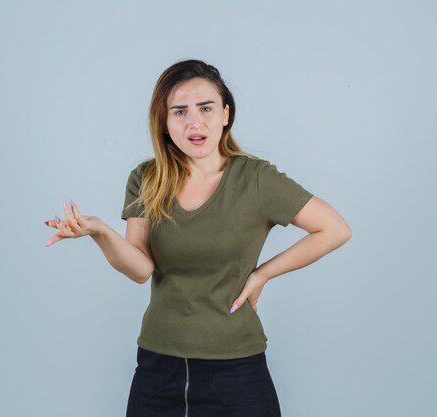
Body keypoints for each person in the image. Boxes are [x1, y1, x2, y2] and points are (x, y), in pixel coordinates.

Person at [44, 59, 352, 417]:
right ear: (164, 121)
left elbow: (334, 229)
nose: (194, 122)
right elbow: (140, 268)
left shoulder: (256, 179)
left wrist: (262, 273)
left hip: (237, 370)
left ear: (225, 113)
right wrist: (98, 230)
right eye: (179, 111)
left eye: (205, 108)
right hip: (158, 368)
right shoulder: (147, 178)